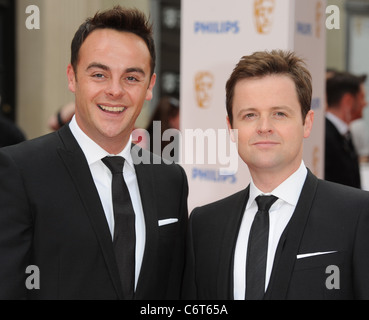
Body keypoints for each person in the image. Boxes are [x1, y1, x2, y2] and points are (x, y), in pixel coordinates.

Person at [0, 6, 188, 300]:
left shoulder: (170, 179)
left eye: (131, 78)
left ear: (150, 86)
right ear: (72, 77)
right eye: (99, 74)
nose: (115, 91)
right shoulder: (20, 171)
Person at [182, 50, 369, 300]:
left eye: (279, 113)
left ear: (307, 122)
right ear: (231, 128)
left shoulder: (357, 214)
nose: (264, 127)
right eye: (250, 115)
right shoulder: (204, 225)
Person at [325, 72, 367, 188]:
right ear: (348, 101)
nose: (365, 104)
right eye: (362, 97)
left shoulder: (343, 134)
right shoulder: (325, 138)